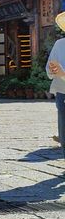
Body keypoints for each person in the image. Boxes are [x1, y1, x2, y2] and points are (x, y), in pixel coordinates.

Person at [46, 11, 65, 156]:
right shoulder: (59, 44)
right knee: (63, 126)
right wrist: (53, 70)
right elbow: (49, 68)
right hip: (62, 91)